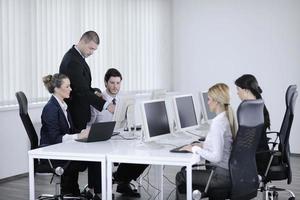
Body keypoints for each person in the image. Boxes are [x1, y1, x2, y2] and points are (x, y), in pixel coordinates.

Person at [86, 68, 148, 198]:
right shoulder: (98, 99)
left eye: (118, 83)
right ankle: (103, 188)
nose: (115, 86)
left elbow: (129, 119)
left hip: (119, 137)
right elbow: (89, 124)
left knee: (145, 155)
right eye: (112, 83)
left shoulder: (124, 98)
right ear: (106, 83)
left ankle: (122, 181)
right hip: (102, 140)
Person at [40, 73, 101, 200]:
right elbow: (55, 139)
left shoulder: (63, 106)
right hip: (53, 154)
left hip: (62, 149)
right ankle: (94, 194)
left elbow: (70, 130)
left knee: (96, 155)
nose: (71, 89)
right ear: (57, 88)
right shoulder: (50, 108)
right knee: (95, 159)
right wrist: (78, 135)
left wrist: (85, 132)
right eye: (67, 86)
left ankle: (81, 191)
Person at [176, 83, 236, 200]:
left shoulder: (218, 123)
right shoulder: (226, 117)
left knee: (181, 176)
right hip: (228, 171)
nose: (207, 102)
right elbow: (222, 145)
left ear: (217, 102)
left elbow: (217, 157)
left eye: (209, 99)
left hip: (220, 175)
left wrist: (195, 149)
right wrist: (202, 145)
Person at [59, 30, 114, 130]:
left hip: (80, 110)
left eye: (94, 50)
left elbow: (83, 86)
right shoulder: (73, 61)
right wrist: (107, 105)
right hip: (75, 113)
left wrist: (95, 92)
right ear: (82, 41)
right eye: (91, 48)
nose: (92, 52)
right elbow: (81, 91)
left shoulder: (78, 57)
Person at [235, 74, 271, 175]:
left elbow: (245, 143)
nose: (237, 93)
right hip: (261, 155)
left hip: (255, 159)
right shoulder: (259, 103)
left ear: (246, 90)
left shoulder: (248, 108)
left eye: (238, 89)